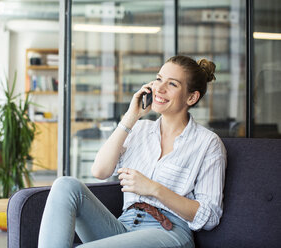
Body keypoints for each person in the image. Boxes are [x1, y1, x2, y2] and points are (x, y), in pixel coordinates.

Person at [38, 55, 226, 248]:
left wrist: (153, 189)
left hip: (169, 232)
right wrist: (131, 116)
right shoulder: (139, 129)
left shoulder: (207, 144)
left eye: (172, 84)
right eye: (159, 79)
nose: (159, 88)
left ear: (191, 97)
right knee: (65, 185)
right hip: (124, 226)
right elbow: (100, 171)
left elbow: (209, 216)